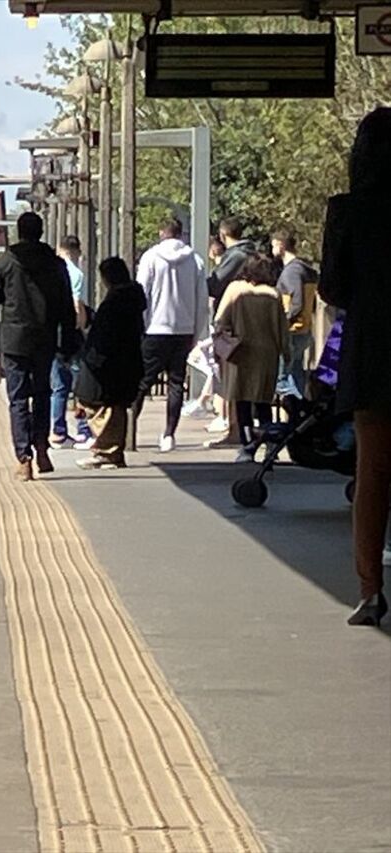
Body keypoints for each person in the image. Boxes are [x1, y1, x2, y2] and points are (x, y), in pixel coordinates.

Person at [317, 106, 391, 627]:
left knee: (373, 473)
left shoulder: (347, 211)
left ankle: (370, 589)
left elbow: (332, 289)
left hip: (372, 352)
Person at [0, 211, 78, 481]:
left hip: (13, 340)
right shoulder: (56, 265)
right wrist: (68, 340)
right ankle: (43, 449)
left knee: (18, 399)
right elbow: (66, 307)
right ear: (41, 231)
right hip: (44, 338)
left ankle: (24, 459)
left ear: (19, 232)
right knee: (43, 394)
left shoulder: (5, 263)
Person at [132, 218, 208, 452]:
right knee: (177, 382)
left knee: (142, 382)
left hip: (155, 328)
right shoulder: (195, 260)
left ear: (161, 232)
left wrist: (140, 324)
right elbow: (201, 299)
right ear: (180, 234)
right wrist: (197, 330)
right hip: (183, 329)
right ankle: (169, 434)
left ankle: (129, 429)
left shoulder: (151, 257)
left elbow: (141, 291)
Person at [213, 254, 289, 463]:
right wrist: (287, 353)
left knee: (243, 402)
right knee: (264, 402)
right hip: (267, 354)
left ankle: (248, 446)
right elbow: (282, 329)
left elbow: (220, 320)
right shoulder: (273, 294)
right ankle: (270, 444)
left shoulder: (236, 289)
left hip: (241, 353)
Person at [74, 257, 147, 471]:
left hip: (109, 364)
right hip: (127, 360)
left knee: (100, 403)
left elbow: (105, 336)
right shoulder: (132, 299)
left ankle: (107, 450)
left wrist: (94, 358)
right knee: (115, 407)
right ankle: (111, 451)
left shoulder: (114, 302)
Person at [49, 235, 93, 449]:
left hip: (53, 335)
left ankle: (57, 432)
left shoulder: (51, 272)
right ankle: (83, 429)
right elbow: (78, 305)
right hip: (71, 337)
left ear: (59, 248)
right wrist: (82, 328)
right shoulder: (76, 274)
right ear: (77, 251)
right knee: (81, 384)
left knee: (59, 387)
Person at [270, 227, 319, 397]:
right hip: (304, 329)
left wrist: (284, 322)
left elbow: (296, 302)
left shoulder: (291, 271)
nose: (272, 249)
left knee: (280, 381)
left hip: (291, 331)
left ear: (280, 245)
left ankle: (295, 405)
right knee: (297, 376)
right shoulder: (305, 269)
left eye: (273, 245)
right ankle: (300, 414)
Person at [207, 217, 256, 304]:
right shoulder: (250, 252)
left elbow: (215, 285)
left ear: (223, 233)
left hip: (232, 309)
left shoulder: (236, 256)